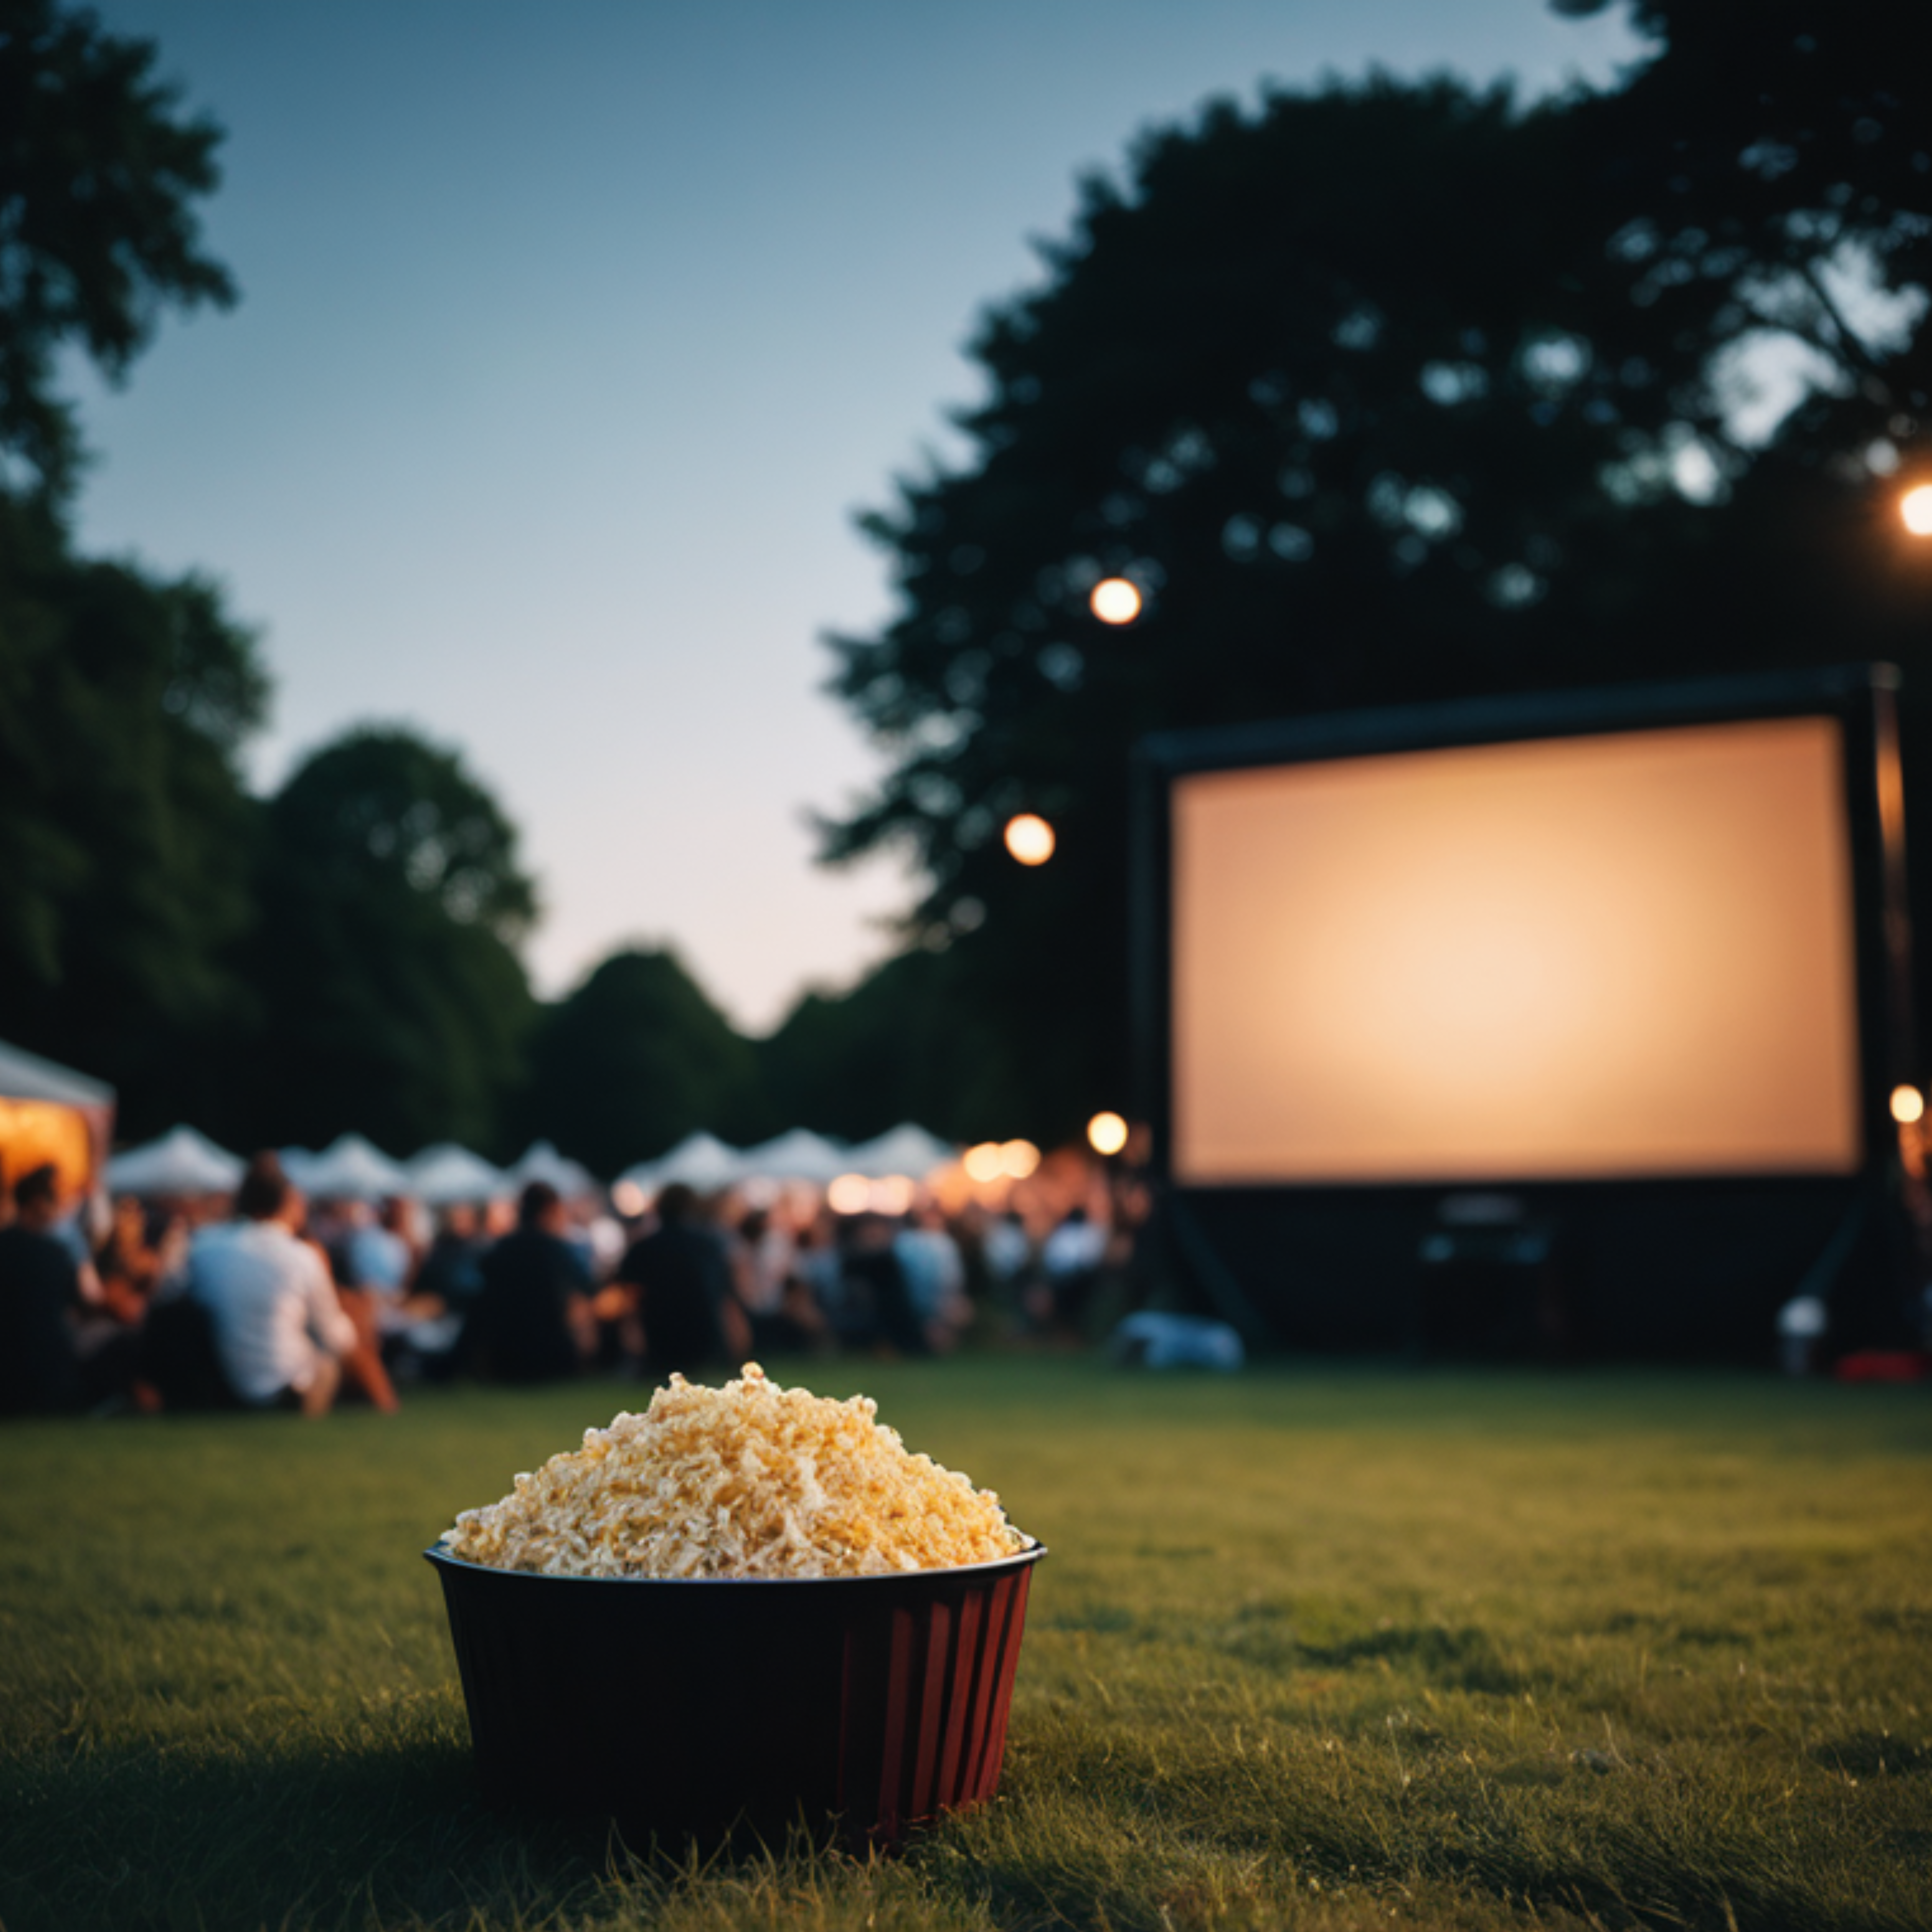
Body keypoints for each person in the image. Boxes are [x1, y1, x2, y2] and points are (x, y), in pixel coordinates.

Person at [187, 1155, 359, 1416]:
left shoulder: (204, 1246)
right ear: (287, 1202)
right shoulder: (302, 1255)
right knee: (346, 1330)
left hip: (223, 1386)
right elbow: (334, 1336)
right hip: (292, 1385)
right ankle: (386, 1406)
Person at [613, 1183, 743, 1379]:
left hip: (661, 1342)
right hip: (706, 1341)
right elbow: (726, 1296)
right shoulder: (709, 1245)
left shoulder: (643, 1249)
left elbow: (628, 1298)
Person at [468, 1181, 594, 1383]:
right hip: (553, 1357)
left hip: (505, 1357)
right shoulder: (558, 1250)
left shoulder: (500, 1250)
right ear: (550, 1211)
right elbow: (587, 1286)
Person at [0, 1164, 86, 1414]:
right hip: (47, 1370)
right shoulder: (55, 1254)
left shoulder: (5, 1247)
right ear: (38, 1203)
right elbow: (78, 1302)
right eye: (55, 1200)